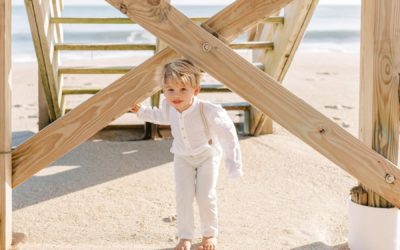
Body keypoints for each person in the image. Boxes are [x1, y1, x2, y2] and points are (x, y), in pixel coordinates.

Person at [130, 59, 243, 250]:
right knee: (183, 195)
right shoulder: (168, 106)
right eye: (170, 90)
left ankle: (209, 233)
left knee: (205, 195)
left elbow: (227, 133)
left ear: (196, 91)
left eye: (183, 89)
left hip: (207, 155)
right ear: (163, 91)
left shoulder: (207, 110)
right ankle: (185, 237)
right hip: (182, 157)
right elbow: (159, 116)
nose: (176, 95)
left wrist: (233, 164)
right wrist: (141, 111)